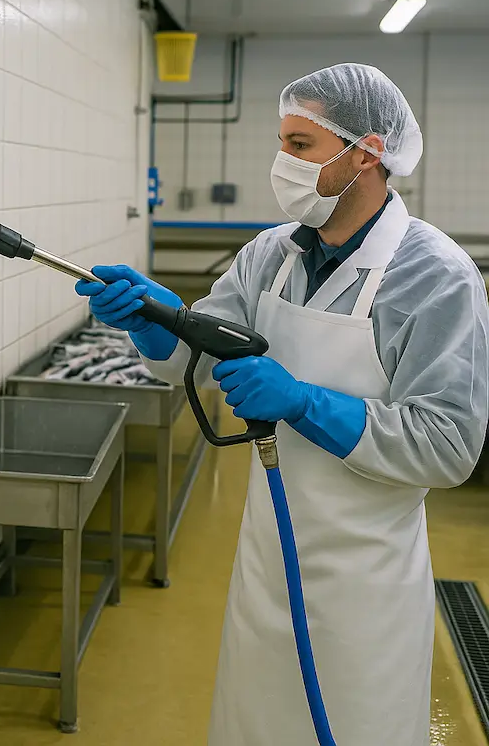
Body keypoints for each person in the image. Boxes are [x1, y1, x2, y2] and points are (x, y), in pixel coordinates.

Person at [76, 63, 489, 746]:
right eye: (283, 143)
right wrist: (155, 320)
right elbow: (197, 359)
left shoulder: (435, 278)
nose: (283, 162)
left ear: (367, 153)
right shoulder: (271, 256)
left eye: (301, 145)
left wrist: (302, 403)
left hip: (366, 582)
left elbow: (447, 445)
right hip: (267, 560)